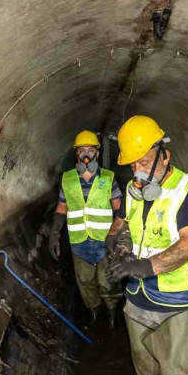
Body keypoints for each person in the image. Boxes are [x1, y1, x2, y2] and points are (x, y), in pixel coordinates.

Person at [105, 116, 188, 375]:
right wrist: (116, 242)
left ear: (165, 154)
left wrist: (146, 267)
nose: (138, 169)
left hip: (176, 301)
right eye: (133, 163)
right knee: (145, 365)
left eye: (145, 161)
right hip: (137, 298)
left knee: (176, 374)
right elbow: (121, 222)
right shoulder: (133, 189)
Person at [49, 130, 124, 328]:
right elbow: (62, 207)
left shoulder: (108, 178)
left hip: (104, 241)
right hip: (79, 241)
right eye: (82, 150)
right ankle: (93, 311)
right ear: (76, 153)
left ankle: (111, 312)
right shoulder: (68, 178)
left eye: (90, 150)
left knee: (108, 281)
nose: (86, 154)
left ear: (97, 153)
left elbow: (120, 210)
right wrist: (54, 234)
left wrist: (116, 235)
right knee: (84, 281)